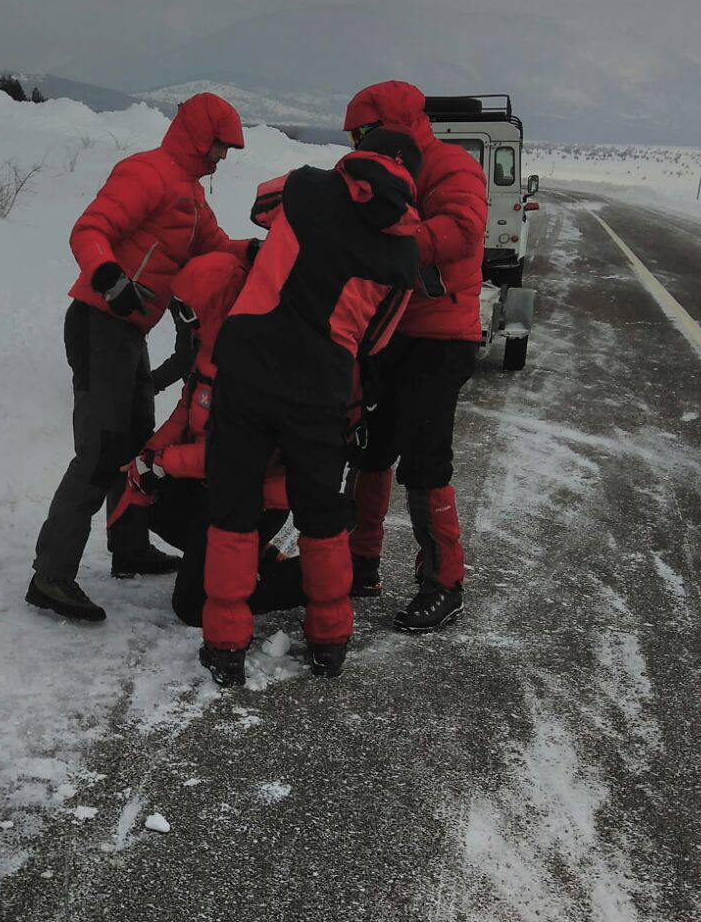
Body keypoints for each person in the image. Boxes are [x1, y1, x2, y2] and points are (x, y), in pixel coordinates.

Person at [199, 130, 425, 686]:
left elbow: (258, 208)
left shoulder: (304, 187)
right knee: (321, 514)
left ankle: (225, 645)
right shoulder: (403, 255)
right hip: (319, 391)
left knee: (233, 504)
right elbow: (375, 341)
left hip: (247, 367)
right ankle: (330, 639)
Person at [28, 93, 259, 623]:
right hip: (97, 322)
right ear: (201, 137)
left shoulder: (190, 197)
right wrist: (110, 280)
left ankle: (128, 547)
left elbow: (214, 247)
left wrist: (259, 252)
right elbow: (89, 231)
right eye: (221, 145)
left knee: (134, 439)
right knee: (100, 448)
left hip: (128, 332)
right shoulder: (147, 173)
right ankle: (50, 575)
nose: (223, 157)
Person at [341, 82, 488, 632]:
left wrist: (396, 243)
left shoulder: (450, 166)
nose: (357, 142)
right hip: (386, 333)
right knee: (370, 452)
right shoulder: (369, 168)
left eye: (363, 131)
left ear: (389, 126)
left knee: (425, 462)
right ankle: (360, 563)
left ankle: (444, 583)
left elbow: (463, 228)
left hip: (441, 337)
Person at [107, 251, 304, 627]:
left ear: (218, 304)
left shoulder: (259, 365)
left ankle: (318, 576)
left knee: (194, 606)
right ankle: (242, 561)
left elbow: (232, 455)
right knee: (154, 501)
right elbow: (185, 412)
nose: (184, 320)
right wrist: (146, 457)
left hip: (255, 496)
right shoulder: (210, 351)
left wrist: (162, 462)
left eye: (189, 311)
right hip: (213, 488)